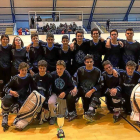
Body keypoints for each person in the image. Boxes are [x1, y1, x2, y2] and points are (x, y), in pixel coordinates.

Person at [1, 62, 35, 131]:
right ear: (19, 70)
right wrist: (11, 92)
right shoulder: (14, 78)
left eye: (25, 70)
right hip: (14, 97)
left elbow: (33, 87)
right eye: (22, 70)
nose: (24, 72)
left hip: (24, 99)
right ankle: (5, 117)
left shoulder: (29, 77)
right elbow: (5, 88)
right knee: (6, 99)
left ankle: (17, 116)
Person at [72, 55, 102, 122]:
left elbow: (100, 84)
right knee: (71, 94)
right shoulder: (80, 70)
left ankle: (91, 110)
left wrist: (91, 91)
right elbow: (74, 80)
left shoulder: (98, 71)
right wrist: (75, 87)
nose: (89, 63)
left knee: (97, 94)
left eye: (91, 62)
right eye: (87, 62)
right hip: (82, 90)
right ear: (84, 62)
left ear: (93, 62)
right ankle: (71, 112)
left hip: (93, 91)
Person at [33, 60, 56, 125]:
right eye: (40, 68)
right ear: (38, 68)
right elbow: (34, 89)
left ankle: (52, 116)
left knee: (50, 103)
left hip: (48, 95)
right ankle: (38, 113)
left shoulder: (49, 77)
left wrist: (45, 104)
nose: (42, 70)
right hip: (39, 96)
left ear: (46, 68)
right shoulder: (35, 77)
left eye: (43, 68)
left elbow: (49, 90)